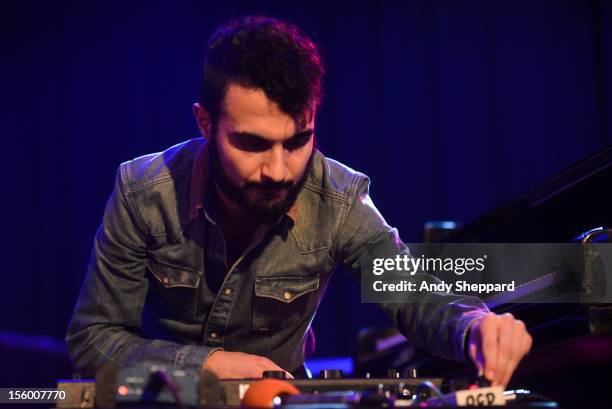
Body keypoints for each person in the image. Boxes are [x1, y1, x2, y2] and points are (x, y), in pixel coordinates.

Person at [66, 15, 531, 386]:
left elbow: (413, 296)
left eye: (298, 141)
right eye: (252, 144)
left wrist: (475, 327)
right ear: (205, 123)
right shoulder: (142, 191)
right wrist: (206, 366)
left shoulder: (338, 200)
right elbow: (92, 341)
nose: (279, 170)